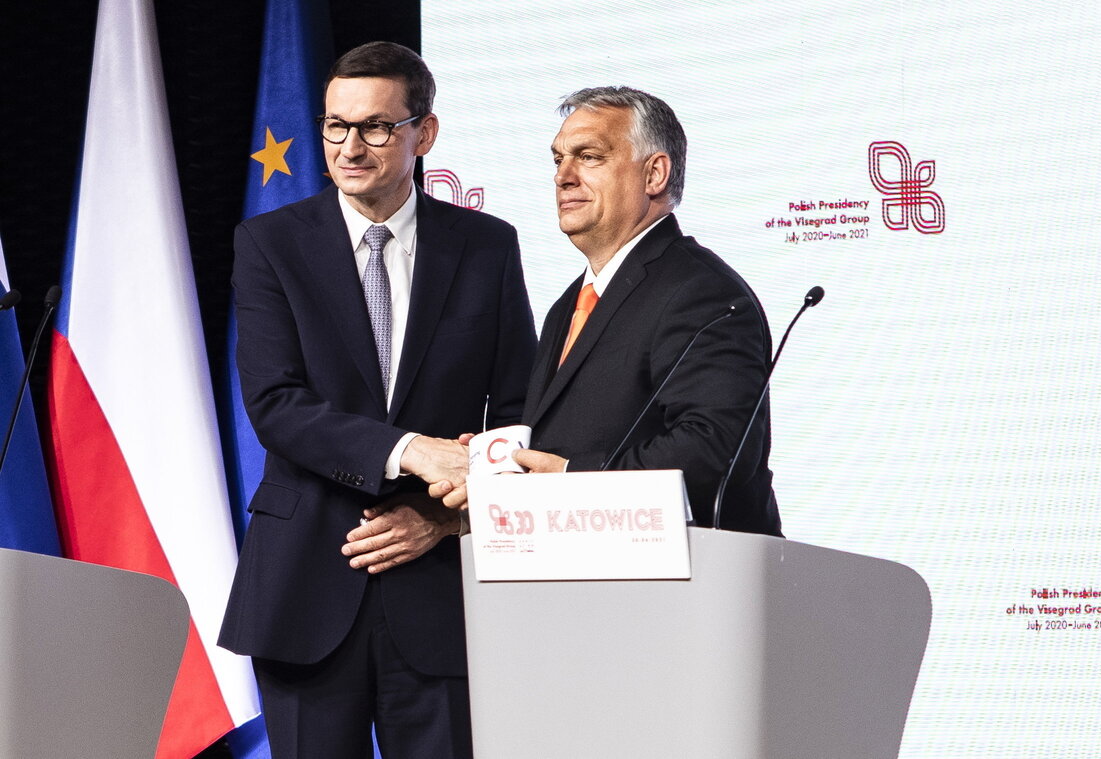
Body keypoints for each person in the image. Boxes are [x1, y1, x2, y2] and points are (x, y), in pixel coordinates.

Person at [218, 42, 535, 758]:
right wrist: (411, 451)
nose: (350, 147)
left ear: (425, 132)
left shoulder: (486, 246)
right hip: (305, 584)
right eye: (336, 126)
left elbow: (520, 411)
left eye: (376, 127)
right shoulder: (269, 243)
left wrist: (444, 519)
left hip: (440, 590)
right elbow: (275, 403)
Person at [436, 86, 778, 535]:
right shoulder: (568, 304)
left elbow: (715, 450)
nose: (563, 177)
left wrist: (570, 479)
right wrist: (499, 464)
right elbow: (565, 440)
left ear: (654, 174)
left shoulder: (701, 292)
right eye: (558, 159)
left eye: (589, 157)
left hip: (685, 571)